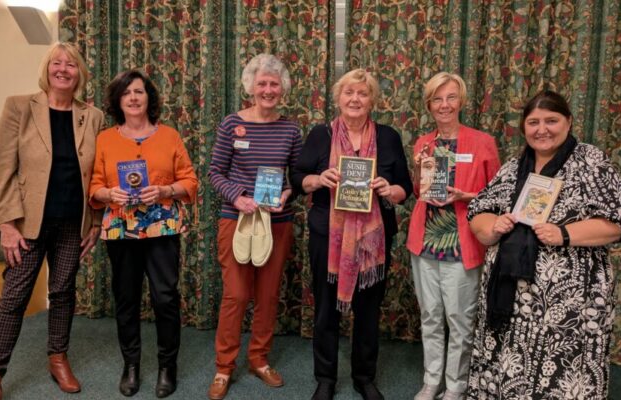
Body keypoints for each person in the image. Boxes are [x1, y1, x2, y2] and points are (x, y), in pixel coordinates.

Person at [466, 90, 621, 399]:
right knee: (508, 368)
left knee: (561, 372)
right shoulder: (513, 167)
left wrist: (564, 234)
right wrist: (493, 226)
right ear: (524, 127)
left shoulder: (590, 162)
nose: (542, 129)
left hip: (570, 304)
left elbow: (620, 221)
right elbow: (478, 211)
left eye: (551, 120)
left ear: (568, 122)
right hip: (510, 297)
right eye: (533, 122)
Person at [0, 42, 104, 400]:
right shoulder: (19, 107)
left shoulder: (92, 116)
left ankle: (58, 358)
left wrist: (95, 221)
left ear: (80, 73)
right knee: (14, 297)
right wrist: (6, 223)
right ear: (47, 69)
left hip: (72, 223)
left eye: (71, 64)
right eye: (56, 63)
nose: (63, 69)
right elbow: (4, 168)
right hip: (27, 225)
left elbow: (98, 173)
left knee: (63, 291)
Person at [291, 68, 413, 400]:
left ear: (372, 100)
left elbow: (406, 187)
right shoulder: (320, 135)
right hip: (327, 237)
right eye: (349, 92)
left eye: (363, 93)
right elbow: (297, 178)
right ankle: (325, 378)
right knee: (326, 309)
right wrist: (319, 179)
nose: (355, 99)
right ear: (338, 98)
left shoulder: (388, 137)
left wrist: (390, 189)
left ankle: (364, 377)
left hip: (374, 238)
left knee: (369, 310)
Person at [89, 70, 198, 398]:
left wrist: (165, 190)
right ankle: (131, 365)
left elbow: (190, 181)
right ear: (117, 101)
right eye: (126, 93)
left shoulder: (169, 136)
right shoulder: (105, 139)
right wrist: (108, 194)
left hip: (162, 227)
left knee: (165, 298)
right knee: (126, 298)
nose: (133, 98)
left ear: (149, 98)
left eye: (139, 91)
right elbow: (94, 186)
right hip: (120, 228)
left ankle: (167, 366)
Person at [207, 54, 302, 400]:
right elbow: (215, 172)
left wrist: (288, 194)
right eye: (262, 83)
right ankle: (224, 367)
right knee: (235, 295)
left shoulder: (291, 129)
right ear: (250, 87)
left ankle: (259, 359)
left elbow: (298, 177)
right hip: (237, 220)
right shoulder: (232, 124)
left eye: (274, 84)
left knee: (268, 295)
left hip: (276, 222)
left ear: (283, 88)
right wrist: (238, 198)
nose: (268, 90)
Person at [406, 73, 500, 400]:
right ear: (429, 105)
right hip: (425, 242)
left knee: (459, 319)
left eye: (450, 98)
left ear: (461, 102)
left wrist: (466, 196)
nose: (444, 105)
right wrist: (417, 168)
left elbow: (497, 196)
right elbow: (419, 190)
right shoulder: (423, 142)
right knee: (430, 316)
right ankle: (432, 381)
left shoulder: (482, 142)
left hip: (462, 244)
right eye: (437, 99)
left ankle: (456, 386)